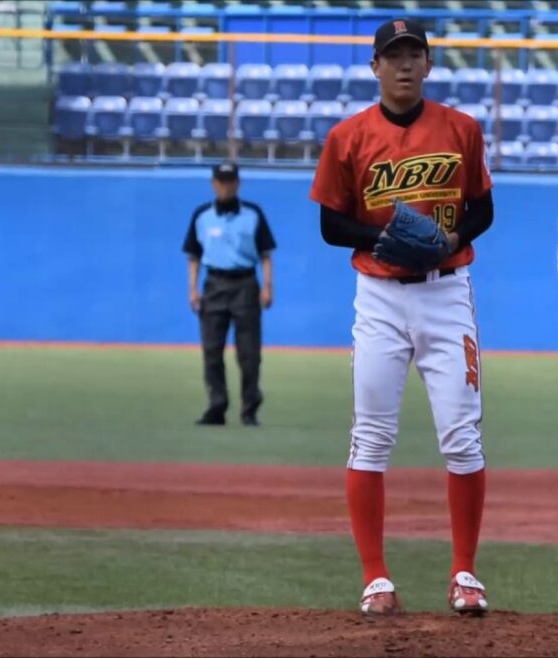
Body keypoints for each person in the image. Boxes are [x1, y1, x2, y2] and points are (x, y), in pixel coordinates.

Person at [308, 17, 495, 617]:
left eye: (415, 54)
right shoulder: (347, 137)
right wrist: (385, 238)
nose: (405, 64)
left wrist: (448, 240)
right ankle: (375, 579)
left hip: (447, 293)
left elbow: (483, 210)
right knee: (370, 436)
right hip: (380, 296)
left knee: (461, 435)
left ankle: (464, 574)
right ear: (375, 67)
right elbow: (331, 225)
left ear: (429, 64)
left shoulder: (461, 129)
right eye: (393, 56)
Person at [183, 160, 276, 427]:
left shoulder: (253, 214)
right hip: (214, 285)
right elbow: (193, 257)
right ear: (213, 184)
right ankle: (216, 406)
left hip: (245, 284)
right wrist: (192, 289)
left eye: (230, 181)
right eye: (221, 181)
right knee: (212, 350)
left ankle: (249, 409)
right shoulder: (202, 215)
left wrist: (267, 286)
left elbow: (265, 255)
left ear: (237, 183)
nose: (226, 186)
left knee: (249, 353)